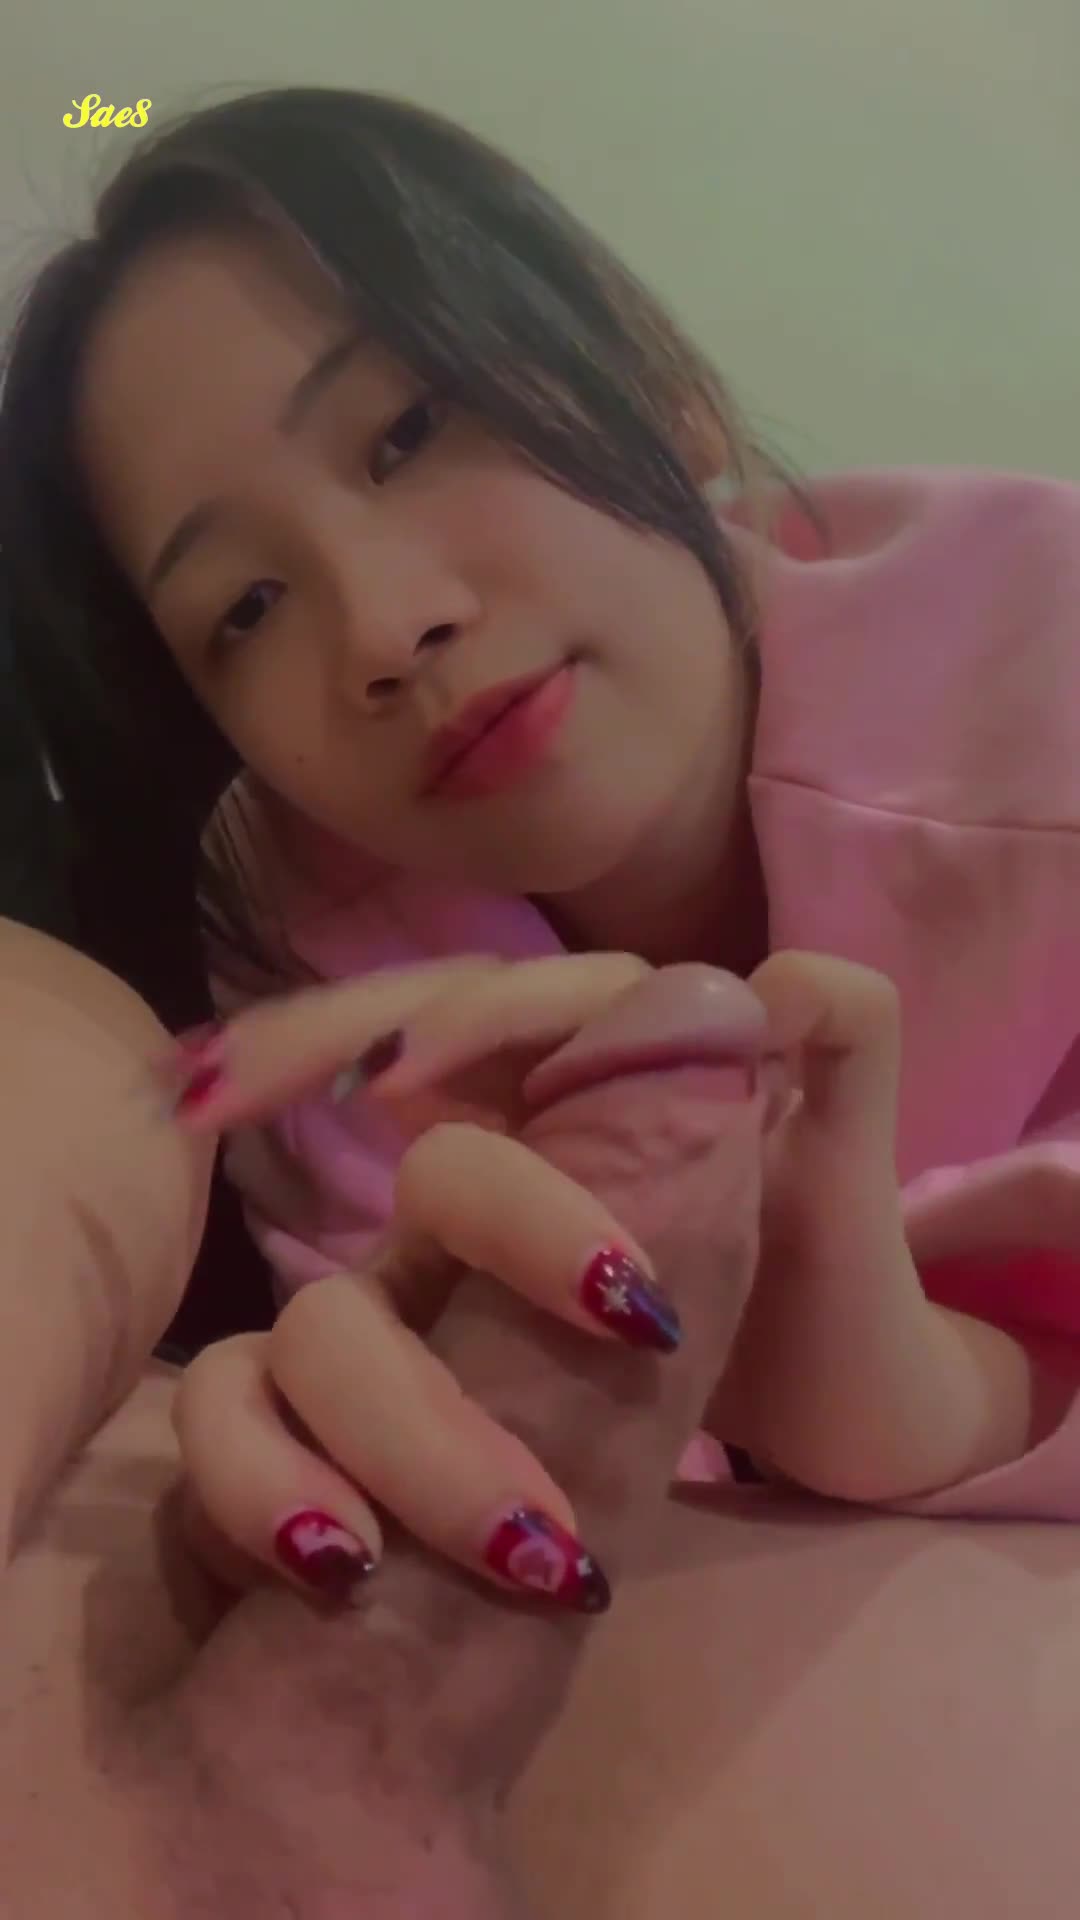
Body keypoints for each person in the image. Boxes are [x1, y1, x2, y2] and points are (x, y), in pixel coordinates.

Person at [4, 86, 1080, 1611]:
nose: (385, 629)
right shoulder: (320, 971)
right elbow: (544, 1546)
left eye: (409, 432)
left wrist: (921, 1386)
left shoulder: (1042, 663)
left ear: (653, 377)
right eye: (245, 609)